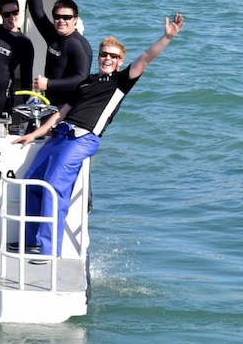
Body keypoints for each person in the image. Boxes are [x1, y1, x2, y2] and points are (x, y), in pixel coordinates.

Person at [13, 13, 185, 258]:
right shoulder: (86, 82)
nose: (107, 59)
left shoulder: (121, 81)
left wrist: (167, 37)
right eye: (104, 54)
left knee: (54, 186)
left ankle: (49, 250)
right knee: (31, 182)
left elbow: (146, 59)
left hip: (83, 139)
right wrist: (34, 135)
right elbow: (61, 113)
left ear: (120, 60)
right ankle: (30, 240)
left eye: (114, 56)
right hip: (60, 135)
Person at [27, 0, 93, 108]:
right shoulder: (53, 36)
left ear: (75, 20)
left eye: (67, 17)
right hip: (51, 102)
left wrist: (49, 84)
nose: (61, 21)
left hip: (69, 105)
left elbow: (81, 78)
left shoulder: (79, 45)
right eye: (57, 17)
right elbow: (36, 11)